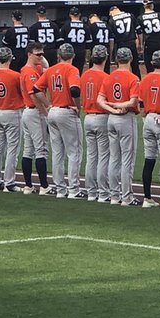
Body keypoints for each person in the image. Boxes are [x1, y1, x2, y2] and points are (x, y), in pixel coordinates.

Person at [35, 42, 80, 198]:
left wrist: (48, 104)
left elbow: (36, 90)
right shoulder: (72, 69)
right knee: (74, 152)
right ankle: (73, 190)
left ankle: (60, 189)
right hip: (66, 112)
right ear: (73, 55)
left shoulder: (51, 69)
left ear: (58, 56)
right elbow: (74, 90)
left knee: (57, 153)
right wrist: (78, 106)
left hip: (53, 112)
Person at [135, 49, 160, 207]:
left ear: (152, 63)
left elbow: (142, 103)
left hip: (149, 119)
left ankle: (147, 198)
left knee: (149, 158)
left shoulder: (144, 80)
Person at [78, 45, 112, 201]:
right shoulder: (106, 77)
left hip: (88, 118)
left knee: (91, 156)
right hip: (101, 117)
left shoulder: (84, 75)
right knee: (103, 156)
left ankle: (91, 192)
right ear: (105, 58)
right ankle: (103, 192)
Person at [0, 46, 24, 192]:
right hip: (12, 112)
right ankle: (9, 182)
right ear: (9, 58)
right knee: (12, 149)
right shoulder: (15, 75)